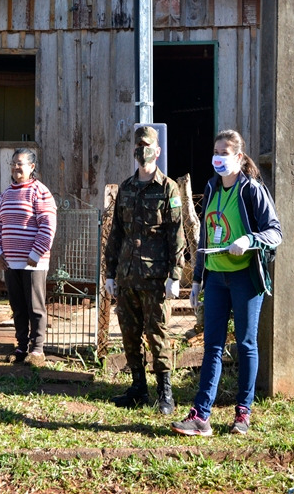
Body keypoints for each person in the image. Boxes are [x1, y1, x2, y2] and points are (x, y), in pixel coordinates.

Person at [171, 129, 281, 437]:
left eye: (225, 152)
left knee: (246, 345)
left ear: (239, 157)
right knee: (213, 347)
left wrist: (250, 239)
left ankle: (243, 414)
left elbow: (275, 231)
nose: (218, 158)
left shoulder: (252, 190)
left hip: (245, 278)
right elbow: (206, 236)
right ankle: (200, 416)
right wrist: (198, 279)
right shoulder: (211, 187)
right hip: (216, 279)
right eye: (216, 151)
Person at [104, 125, 186, 415]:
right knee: (129, 333)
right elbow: (116, 233)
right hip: (127, 276)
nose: (142, 151)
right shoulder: (126, 187)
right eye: (138, 146)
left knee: (158, 335)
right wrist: (110, 273)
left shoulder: (168, 188)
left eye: (147, 145)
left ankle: (165, 392)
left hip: (155, 278)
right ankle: (138, 387)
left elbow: (176, 234)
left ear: (157, 151)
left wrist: (175, 276)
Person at [0, 148, 57, 368]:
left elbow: (48, 226)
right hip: (10, 263)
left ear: (32, 167)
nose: (16, 167)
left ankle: (37, 350)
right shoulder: (4, 196)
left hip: (33, 263)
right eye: (14, 163)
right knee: (18, 306)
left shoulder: (40, 192)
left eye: (21, 163)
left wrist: (36, 253)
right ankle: (21, 346)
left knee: (35, 307)